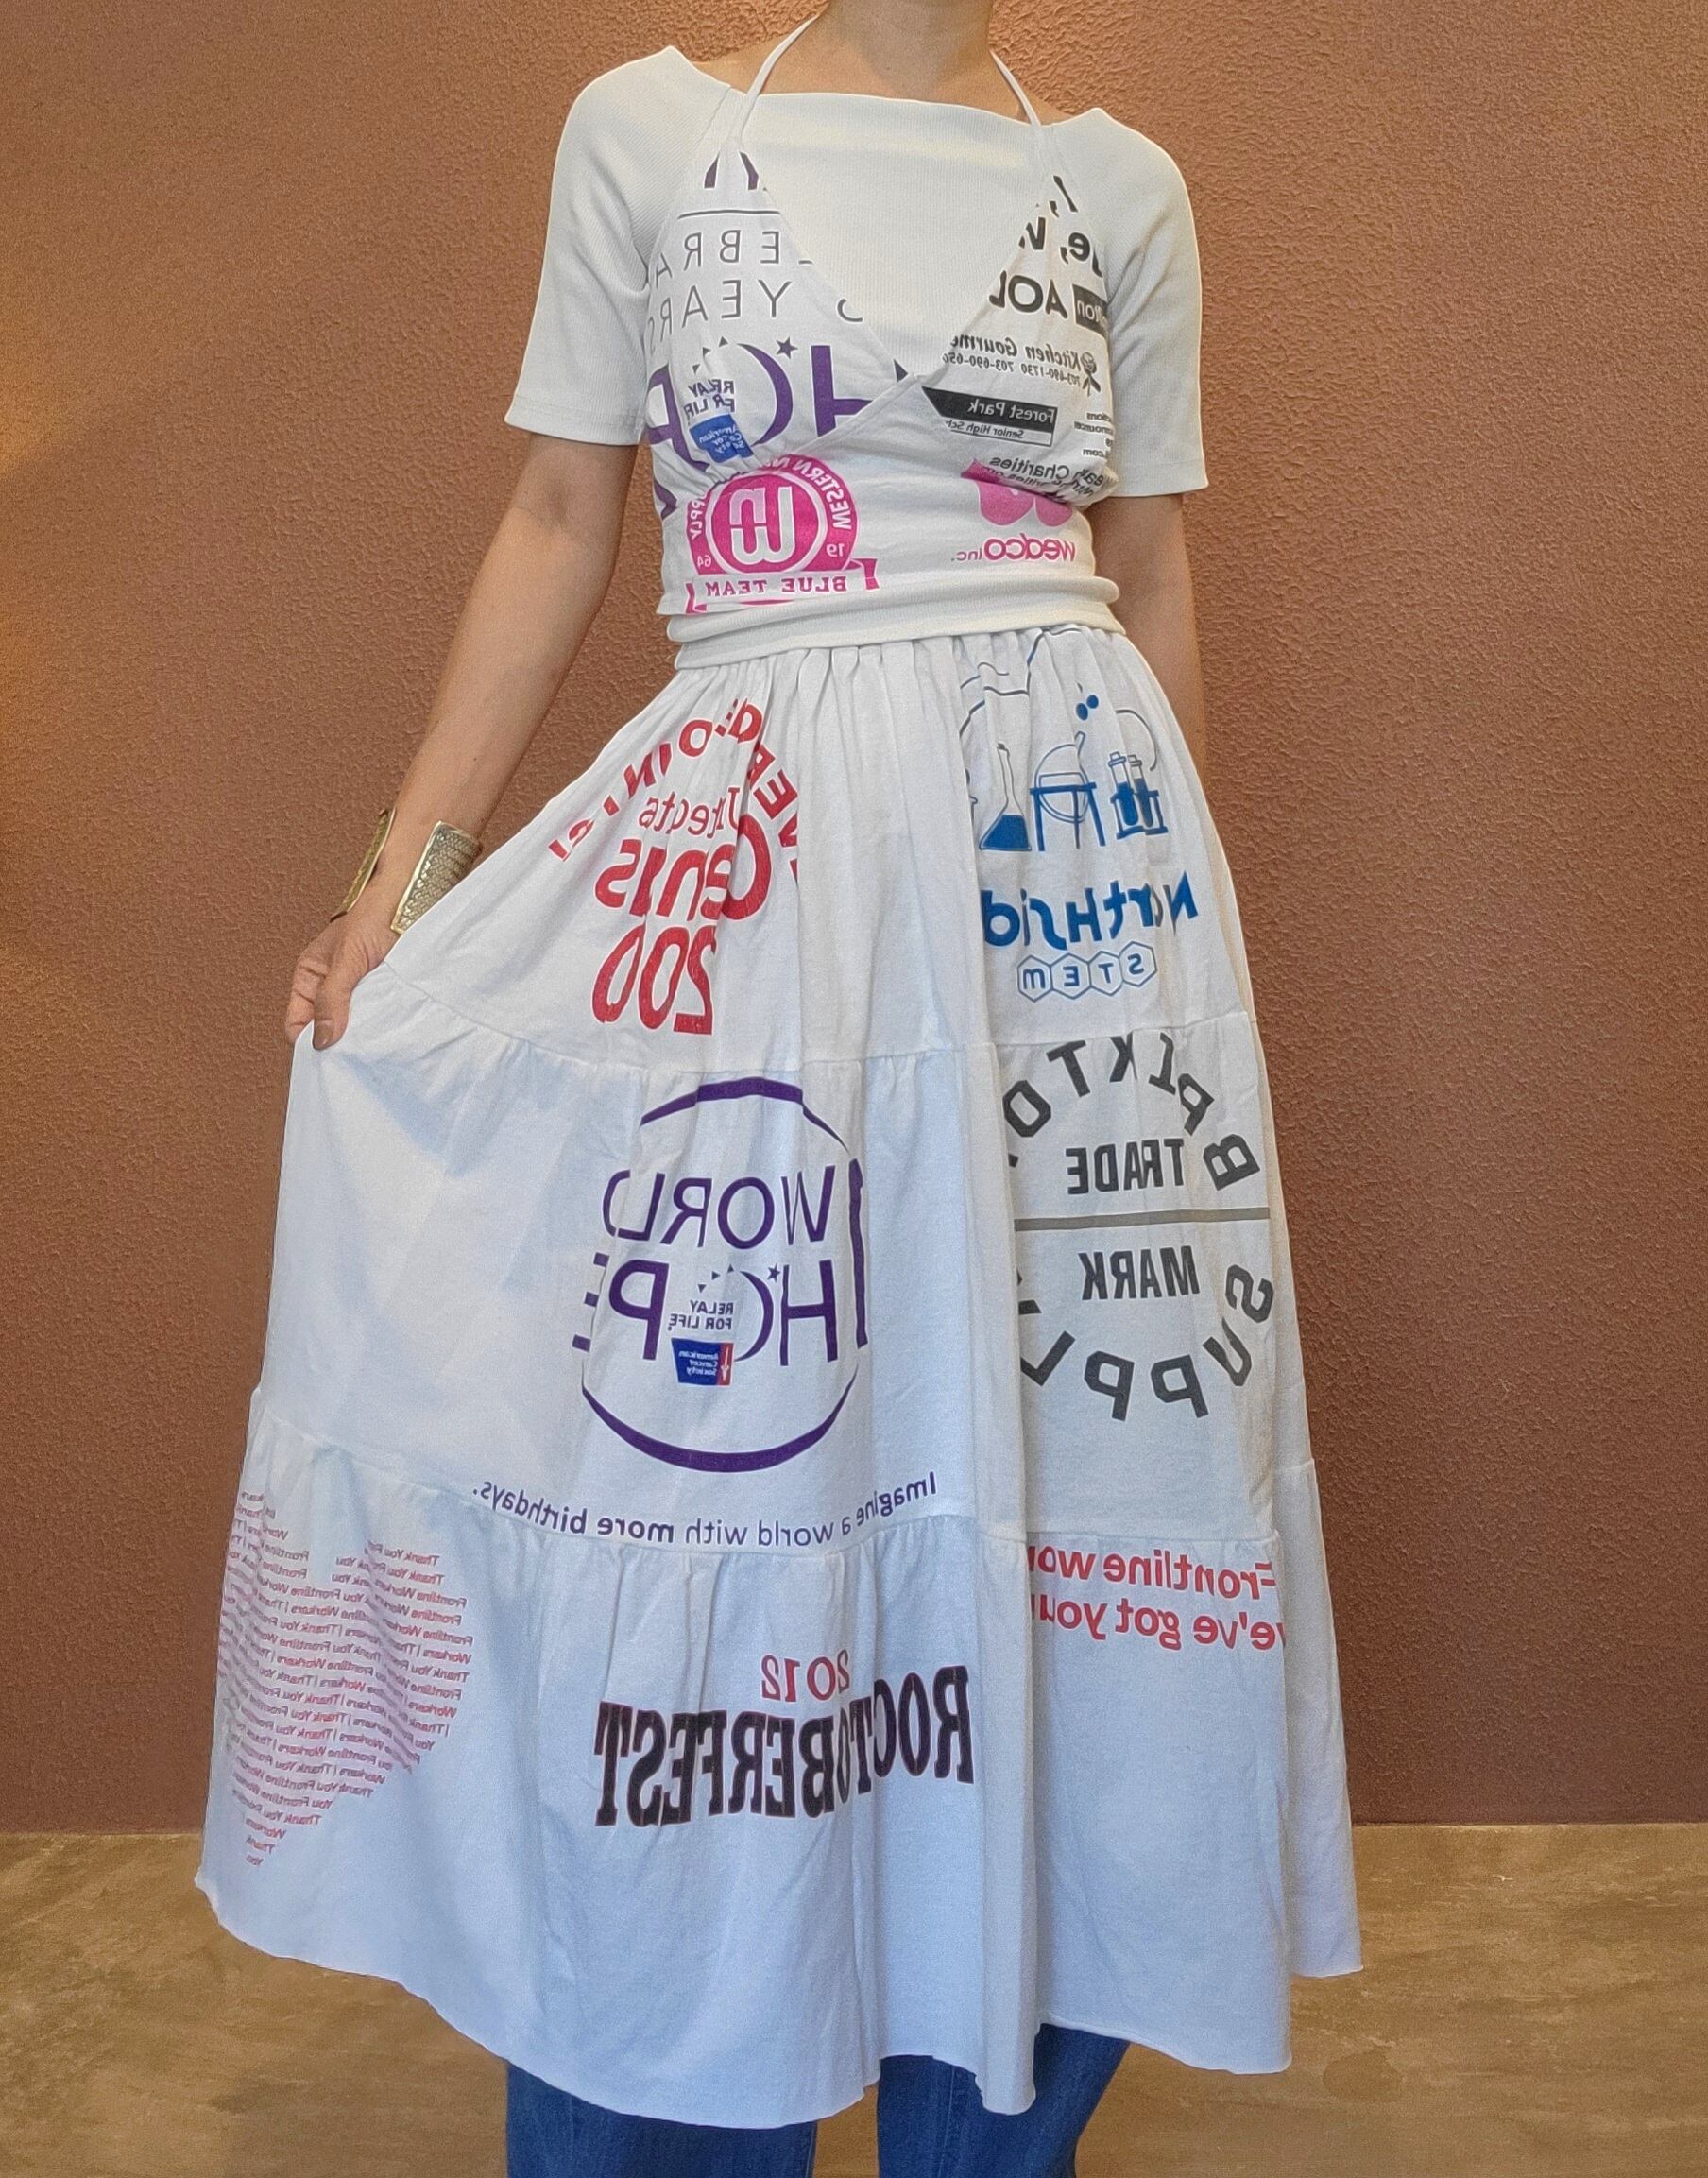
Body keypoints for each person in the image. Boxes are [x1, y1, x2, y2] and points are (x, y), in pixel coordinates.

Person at [193, 6, 1364, 2173]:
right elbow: (562, 516)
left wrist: (1169, 978)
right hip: (760, 883)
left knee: (1070, 1522)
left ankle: (984, 2125)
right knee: (730, 1496)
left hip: (1061, 911)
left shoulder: (1119, 185)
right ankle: (687, 2090)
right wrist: (396, 892)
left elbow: (1146, 573)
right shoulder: (645, 129)